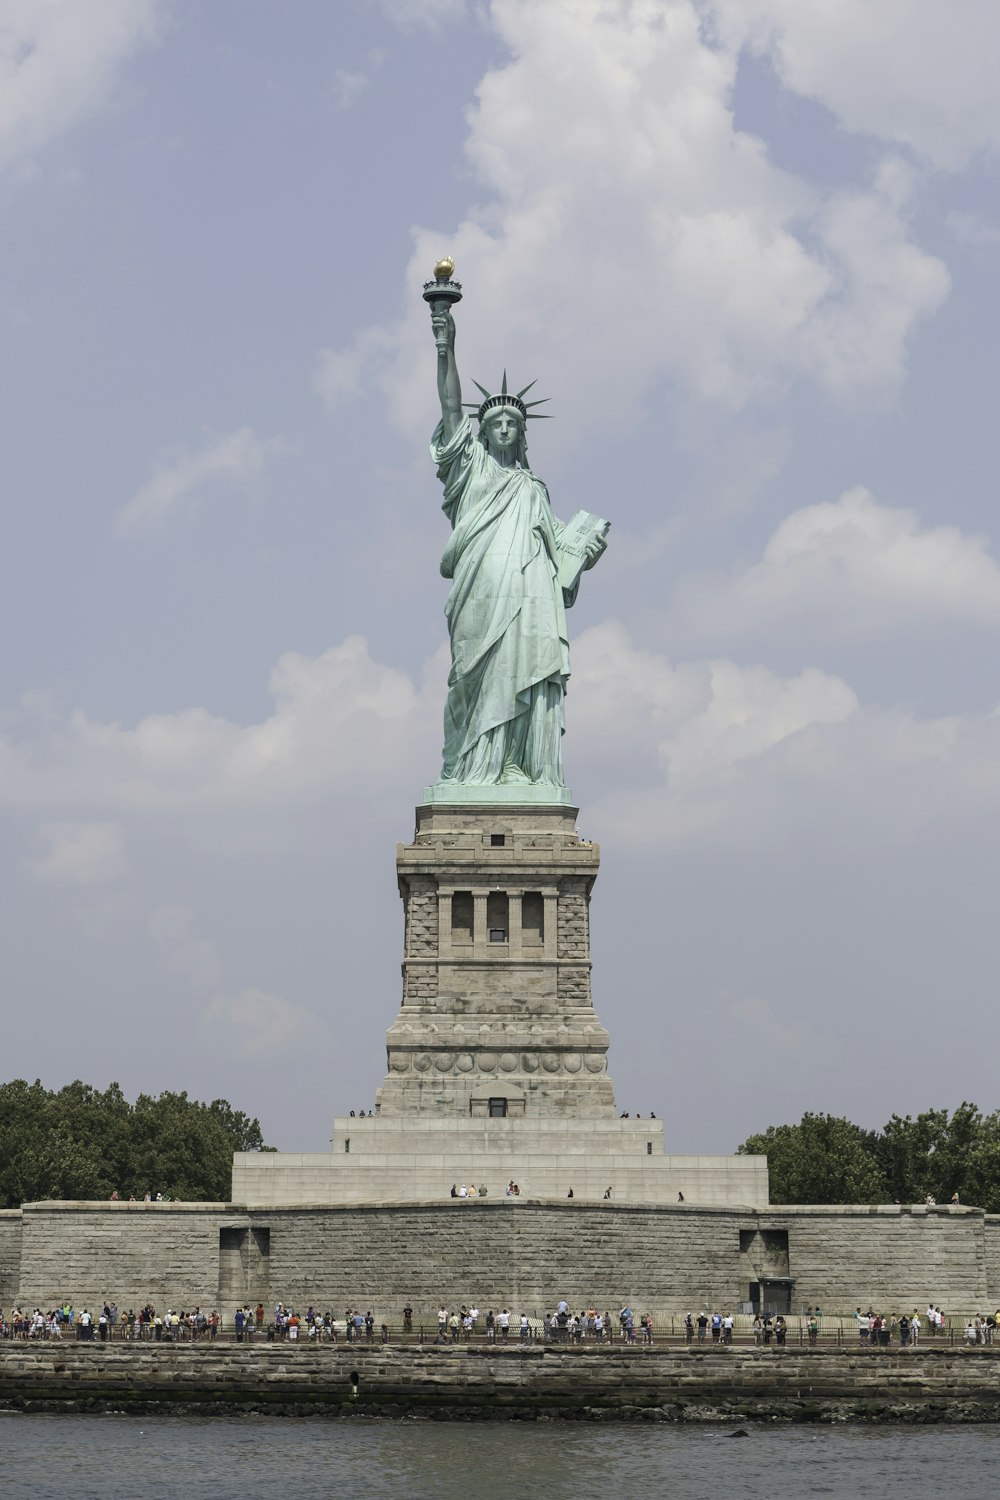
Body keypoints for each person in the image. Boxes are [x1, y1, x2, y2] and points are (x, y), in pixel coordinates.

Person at [427, 301, 607, 791]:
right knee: (475, 674)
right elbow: (448, 408)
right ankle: (470, 767)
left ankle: (514, 766)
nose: (504, 428)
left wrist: (582, 553)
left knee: (521, 666)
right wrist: (446, 345)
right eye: (495, 423)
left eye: (512, 423)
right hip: (481, 588)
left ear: (521, 433)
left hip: (530, 594)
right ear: (481, 434)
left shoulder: (533, 489)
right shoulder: (472, 473)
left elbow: (559, 556)